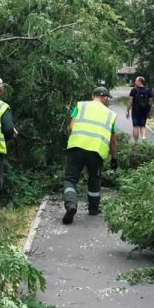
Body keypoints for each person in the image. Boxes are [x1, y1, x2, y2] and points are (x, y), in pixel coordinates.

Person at [62, 86, 119, 225]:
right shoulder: (110, 114)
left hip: (76, 147)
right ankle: (93, 208)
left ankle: (71, 204)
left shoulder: (81, 106)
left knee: (70, 179)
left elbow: (71, 127)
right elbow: (113, 140)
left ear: (93, 95)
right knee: (94, 179)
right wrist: (114, 157)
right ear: (105, 98)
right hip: (96, 152)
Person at [126, 76, 152, 142]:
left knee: (135, 126)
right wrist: (148, 111)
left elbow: (130, 101)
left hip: (135, 110)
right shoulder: (148, 90)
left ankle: (136, 142)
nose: (135, 82)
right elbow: (150, 102)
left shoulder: (134, 90)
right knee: (143, 125)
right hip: (144, 111)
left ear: (139, 82)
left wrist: (128, 110)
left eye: (136, 81)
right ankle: (143, 137)